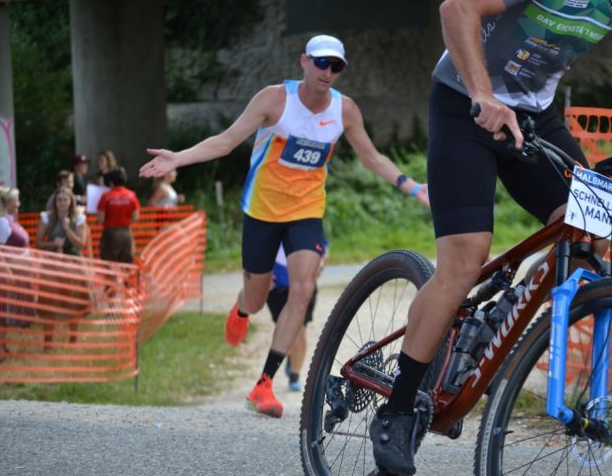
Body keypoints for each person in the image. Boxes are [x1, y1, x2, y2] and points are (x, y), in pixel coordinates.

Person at [368, 0, 612, 474]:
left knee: (591, 234)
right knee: (465, 260)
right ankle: (398, 411)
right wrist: (484, 94)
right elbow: (456, 8)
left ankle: (492, 329)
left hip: (535, 116)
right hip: (466, 103)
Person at [139, 34, 429, 418]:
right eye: (322, 63)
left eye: (336, 66)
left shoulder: (344, 110)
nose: (328, 72)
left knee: (302, 287)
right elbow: (225, 142)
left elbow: (372, 158)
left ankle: (264, 385)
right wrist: (178, 158)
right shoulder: (275, 100)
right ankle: (242, 309)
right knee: (258, 297)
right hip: (261, 211)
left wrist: (413, 187)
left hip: (306, 211)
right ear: (304, 62)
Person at [266, 241, 328, 392]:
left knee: (299, 330)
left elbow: (323, 247)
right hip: (277, 288)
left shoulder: (306, 221)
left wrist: (320, 264)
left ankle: (295, 375)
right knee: (285, 331)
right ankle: (289, 355)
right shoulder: (269, 223)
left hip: (304, 285)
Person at [36, 188, 90, 350]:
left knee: (73, 300)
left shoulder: (79, 219)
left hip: (73, 263)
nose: (62, 203)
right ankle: (48, 342)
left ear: (71, 201)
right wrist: (53, 244)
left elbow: (81, 244)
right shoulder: (46, 218)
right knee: (49, 301)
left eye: (65, 200)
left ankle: (73, 339)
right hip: (52, 262)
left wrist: (67, 229)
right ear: (55, 202)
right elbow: (38, 243)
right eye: (59, 200)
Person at [0, 187, 31, 361]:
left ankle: (2, 347)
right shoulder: (0, 223)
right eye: (16, 200)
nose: (19, 203)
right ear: (8, 203)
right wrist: (8, 273)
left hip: (14, 273)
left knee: (5, 311)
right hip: (2, 275)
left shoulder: (10, 221)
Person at [96, 167, 140, 264]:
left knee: (110, 264)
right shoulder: (131, 195)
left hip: (110, 234)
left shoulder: (106, 196)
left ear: (111, 182)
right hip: (127, 233)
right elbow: (135, 218)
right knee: (127, 264)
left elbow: (101, 219)